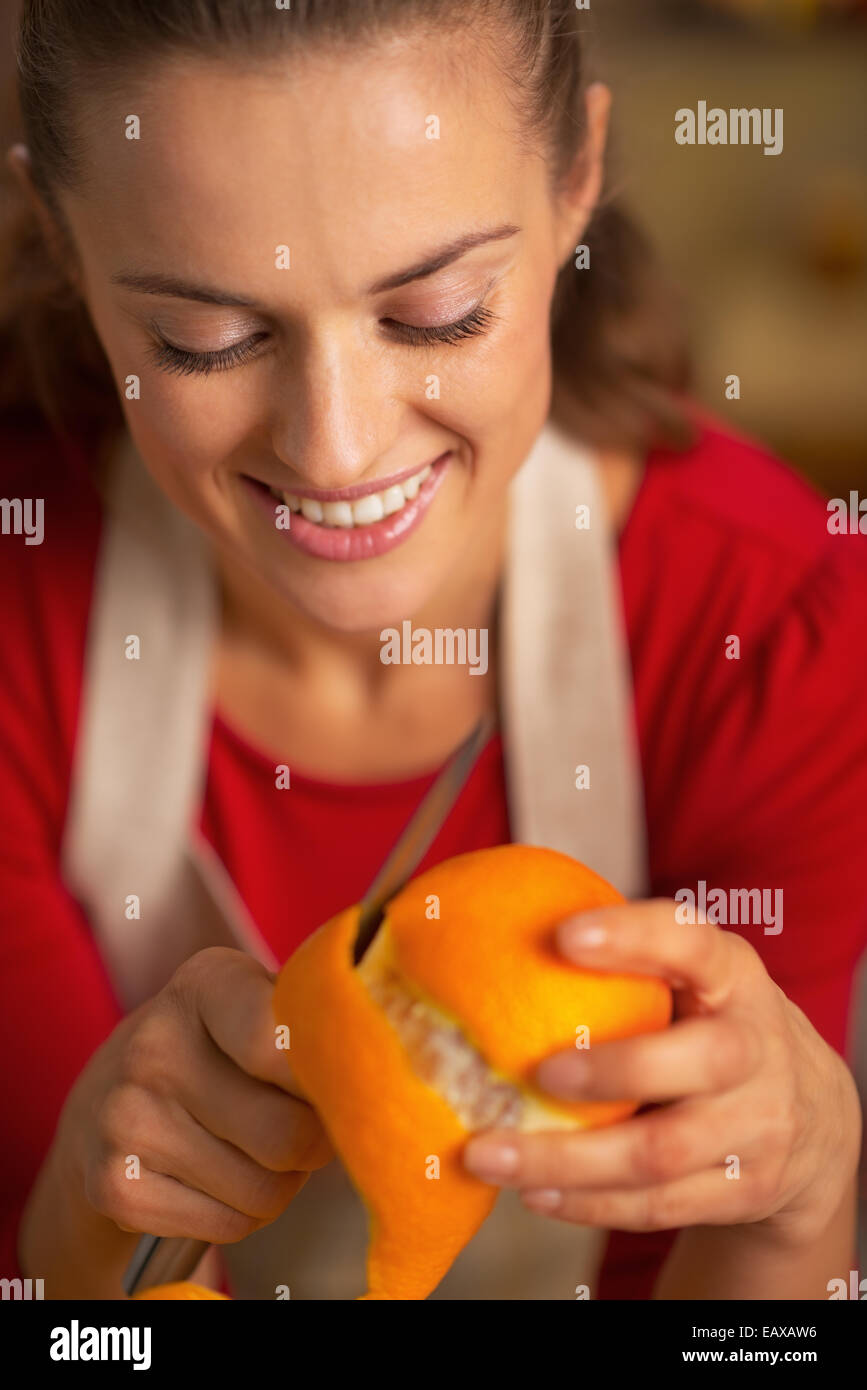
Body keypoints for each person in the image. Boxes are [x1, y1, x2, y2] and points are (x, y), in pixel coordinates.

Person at [1, 0, 865, 1301]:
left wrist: (799, 1208)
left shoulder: (780, 628)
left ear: (576, 177)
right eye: (206, 339)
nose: (335, 451)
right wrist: (74, 1241)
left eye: (440, 311)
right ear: (65, 244)